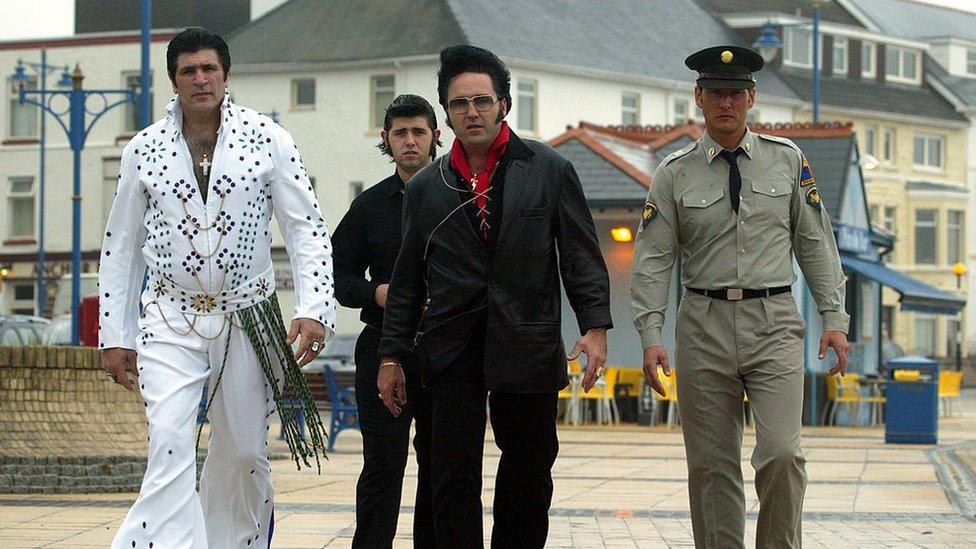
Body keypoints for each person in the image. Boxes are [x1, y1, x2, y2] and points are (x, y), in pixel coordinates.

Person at [99, 27, 335, 549]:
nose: (200, 78)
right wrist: (115, 334)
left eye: (209, 68)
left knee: (245, 453)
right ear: (173, 81)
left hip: (248, 316)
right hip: (168, 316)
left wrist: (315, 306)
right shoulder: (144, 149)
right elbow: (120, 246)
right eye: (189, 71)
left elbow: (306, 227)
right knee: (169, 443)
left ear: (226, 75)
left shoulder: (268, 139)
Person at [378, 45, 612, 547]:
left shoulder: (549, 170)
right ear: (447, 112)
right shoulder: (427, 187)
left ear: (503, 104)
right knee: (449, 475)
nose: (472, 112)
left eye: (482, 100)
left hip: (527, 342)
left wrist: (595, 330)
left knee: (529, 471)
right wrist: (392, 355)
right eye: (460, 104)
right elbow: (407, 280)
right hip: (449, 348)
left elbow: (580, 258)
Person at [631, 45, 849, 549]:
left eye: (736, 93)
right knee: (711, 467)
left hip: (773, 321)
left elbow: (816, 244)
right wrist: (650, 333)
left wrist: (833, 317)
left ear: (751, 98)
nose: (725, 103)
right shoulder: (673, 173)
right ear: (699, 99)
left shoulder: (787, 161)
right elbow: (653, 259)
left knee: (781, 454)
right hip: (702, 323)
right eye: (715, 94)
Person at [333, 94, 441, 548]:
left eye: (419, 131)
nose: (410, 141)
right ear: (386, 139)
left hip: (443, 347)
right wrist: (377, 292)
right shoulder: (370, 205)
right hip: (381, 343)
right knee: (382, 464)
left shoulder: (459, 196)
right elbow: (336, 275)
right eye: (400, 133)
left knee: (439, 466)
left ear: (436, 136)